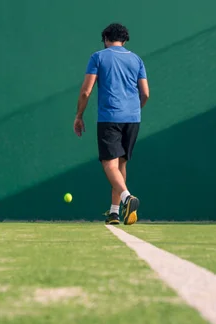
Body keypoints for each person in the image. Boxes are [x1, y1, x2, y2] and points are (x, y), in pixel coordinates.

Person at [73, 23, 150, 225]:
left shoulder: (98, 57)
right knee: (121, 164)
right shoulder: (136, 59)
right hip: (133, 118)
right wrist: (133, 110)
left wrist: (79, 116)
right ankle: (115, 212)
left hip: (110, 117)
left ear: (106, 39)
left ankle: (127, 198)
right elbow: (146, 93)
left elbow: (85, 91)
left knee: (109, 163)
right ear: (124, 40)